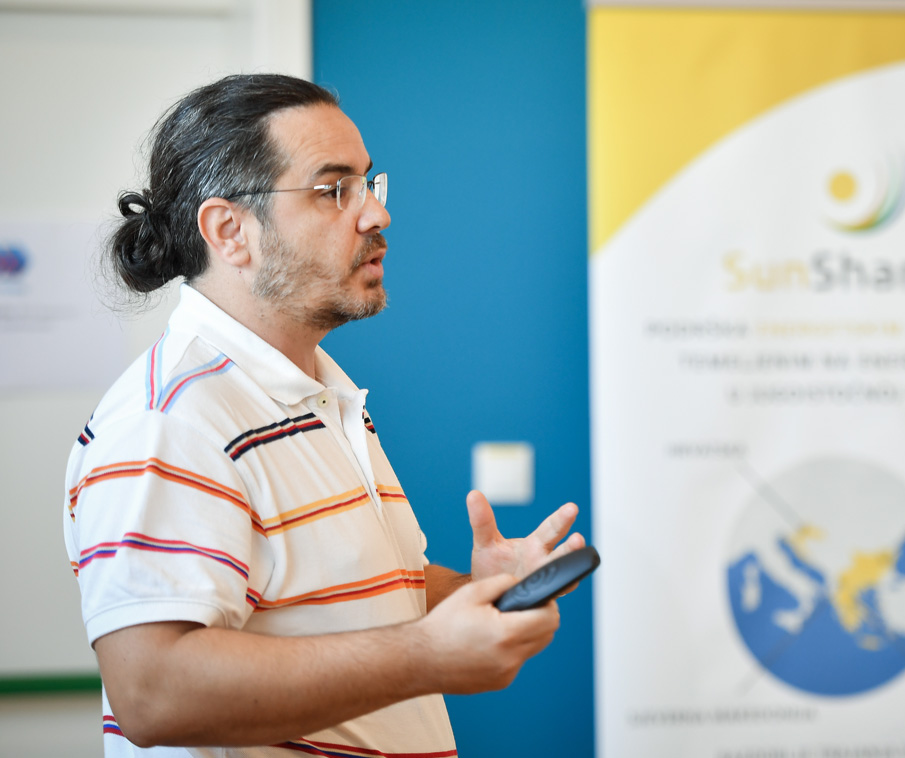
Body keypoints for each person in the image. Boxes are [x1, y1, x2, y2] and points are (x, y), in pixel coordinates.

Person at [63, 73, 584, 757]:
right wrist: (425, 656)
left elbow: (348, 597)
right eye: (334, 190)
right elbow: (153, 692)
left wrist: (474, 593)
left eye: (369, 183)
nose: (376, 214)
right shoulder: (171, 420)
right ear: (230, 231)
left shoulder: (320, 395)